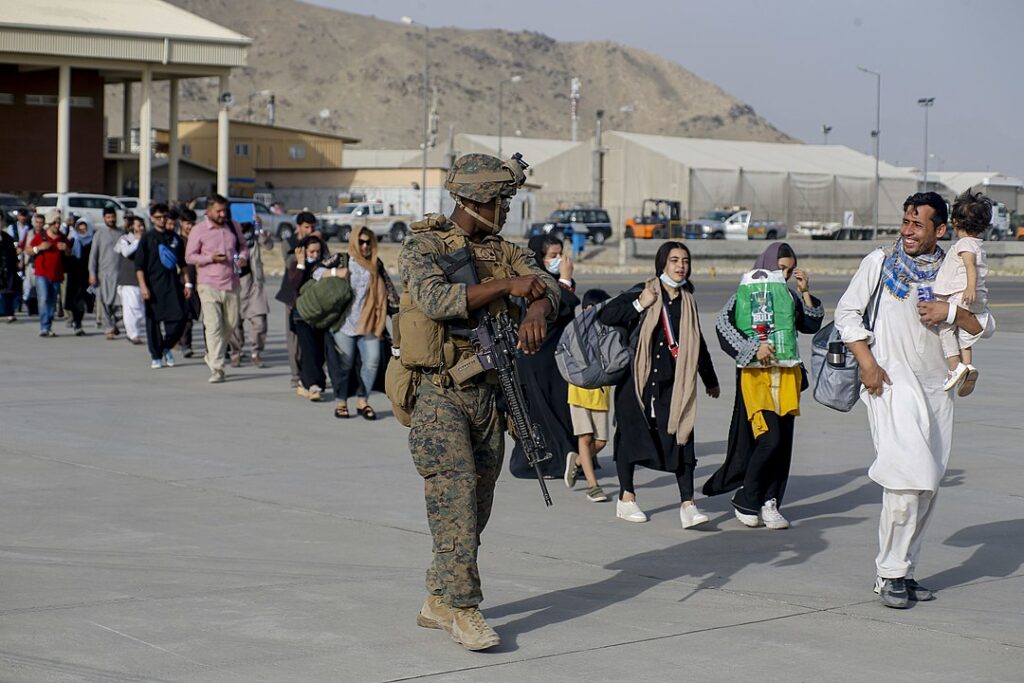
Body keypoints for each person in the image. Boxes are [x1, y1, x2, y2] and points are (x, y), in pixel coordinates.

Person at [401, 153, 557, 651]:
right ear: (481, 200)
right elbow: (436, 300)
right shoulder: (423, 245)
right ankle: (464, 609)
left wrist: (535, 307)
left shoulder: (503, 250)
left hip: (490, 395)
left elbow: (547, 284)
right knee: (456, 496)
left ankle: (438, 598)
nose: (508, 210)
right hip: (439, 393)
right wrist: (509, 286)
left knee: (476, 505)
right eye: (504, 201)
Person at [834, 192, 992, 609]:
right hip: (890, 384)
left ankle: (903, 570)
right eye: (904, 221)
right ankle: (888, 574)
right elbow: (847, 314)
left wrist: (951, 313)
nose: (906, 230)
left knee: (928, 485)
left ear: (940, 230)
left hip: (938, 389)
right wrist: (867, 363)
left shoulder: (956, 267)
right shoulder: (880, 262)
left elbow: (983, 325)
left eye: (916, 224)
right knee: (907, 480)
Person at [598, 242, 720, 527]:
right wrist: (640, 303)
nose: (680, 266)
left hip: (672, 385)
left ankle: (688, 505)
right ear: (662, 263)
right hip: (637, 383)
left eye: (685, 260)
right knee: (630, 440)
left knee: (682, 438)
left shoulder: (688, 300)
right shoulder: (645, 290)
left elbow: (697, 342)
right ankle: (626, 498)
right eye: (674, 260)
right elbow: (606, 315)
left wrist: (709, 378)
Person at [704, 242, 823, 529]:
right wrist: (752, 348)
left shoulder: (790, 297)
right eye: (781, 268)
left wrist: (805, 292)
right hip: (755, 378)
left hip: (787, 377)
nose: (785, 274)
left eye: (790, 269)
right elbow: (723, 327)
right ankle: (747, 497)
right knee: (768, 439)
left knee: (782, 442)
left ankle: (770, 501)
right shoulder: (745, 295)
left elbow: (810, 325)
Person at [508, 234, 580, 480]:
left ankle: (566, 458)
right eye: (553, 256)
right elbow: (560, 306)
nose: (559, 260)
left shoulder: (555, 281)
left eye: (561, 255)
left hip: (556, 359)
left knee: (560, 409)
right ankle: (546, 462)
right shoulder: (535, 284)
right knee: (540, 413)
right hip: (536, 358)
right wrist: (566, 280)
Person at [329, 226, 396, 419]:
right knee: (346, 364)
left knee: (372, 361)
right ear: (354, 242)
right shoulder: (342, 260)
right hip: (344, 324)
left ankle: (362, 401)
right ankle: (341, 402)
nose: (365, 246)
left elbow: (390, 293)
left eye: (369, 242)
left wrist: (401, 314)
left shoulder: (376, 264)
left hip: (370, 324)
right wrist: (334, 273)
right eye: (361, 241)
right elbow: (316, 273)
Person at [185, 194, 248, 383]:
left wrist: (241, 259)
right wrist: (210, 258)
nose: (222, 214)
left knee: (231, 324)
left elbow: (243, 247)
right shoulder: (199, 230)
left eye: (224, 211)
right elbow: (190, 257)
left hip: (232, 283)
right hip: (208, 284)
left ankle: (212, 354)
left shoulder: (233, 226)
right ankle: (217, 368)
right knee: (213, 326)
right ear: (208, 211)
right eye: (218, 211)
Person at [935, 190, 992, 396]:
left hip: (962, 294)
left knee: (945, 327)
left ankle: (954, 367)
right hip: (976, 298)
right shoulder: (978, 244)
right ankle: (968, 367)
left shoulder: (964, 244)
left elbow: (969, 267)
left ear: (956, 222)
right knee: (963, 335)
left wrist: (969, 287)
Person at [563, 288, 612, 502]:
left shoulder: (609, 332)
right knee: (585, 437)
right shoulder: (575, 331)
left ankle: (577, 462)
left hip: (601, 393)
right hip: (579, 391)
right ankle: (593, 486)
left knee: (600, 441)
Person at [289, 235, 344, 401]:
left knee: (320, 352)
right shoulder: (297, 265)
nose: (315, 255)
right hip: (302, 316)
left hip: (321, 316)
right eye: (311, 251)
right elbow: (294, 285)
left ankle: (304, 384)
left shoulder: (325, 264)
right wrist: (300, 263)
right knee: (309, 350)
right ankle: (315, 385)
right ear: (303, 251)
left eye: (318, 251)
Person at [136, 203, 190, 369]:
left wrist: (188, 283)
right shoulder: (147, 238)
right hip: (152, 286)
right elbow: (139, 267)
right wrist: (143, 287)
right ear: (152, 219)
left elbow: (183, 264)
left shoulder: (174, 238)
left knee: (180, 318)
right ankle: (156, 355)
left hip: (172, 285)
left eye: (164, 217)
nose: (162, 220)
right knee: (153, 322)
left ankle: (167, 346)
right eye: (158, 217)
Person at [277, 211, 320, 387]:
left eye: (312, 227)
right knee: (293, 337)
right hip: (293, 294)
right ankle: (296, 373)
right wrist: (305, 244)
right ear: (298, 227)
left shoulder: (319, 244)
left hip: (313, 295)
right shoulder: (288, 242)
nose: (310, 231)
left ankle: (313, 371)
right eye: (306, 227)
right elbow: (289, 262)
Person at [229, 214, 273, 368]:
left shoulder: (253, 233)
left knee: (260, 322)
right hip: (233, 283)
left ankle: (256, 353)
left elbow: (268, 246)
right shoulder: (226, 234)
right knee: (234, 323)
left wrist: (259, 228)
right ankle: (236, 352)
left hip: (254, 282)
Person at [28, 210, 69, 337]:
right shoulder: (41, 236)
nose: (57, 225)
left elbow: (69, 253)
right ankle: (44, 326)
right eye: (55, 223)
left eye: (58, 223)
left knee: (52, 301)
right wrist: (39, 247)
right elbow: (29, 250)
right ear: (50, 224)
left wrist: (66, 249)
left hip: (56, 274)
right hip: (42, 273)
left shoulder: (62, 237)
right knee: (44, 298)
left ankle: (48, 325)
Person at [88, 206, 124, 339]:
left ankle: (114, 323)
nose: (111, 219)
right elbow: (93, 256)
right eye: (108, 217)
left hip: (119, 275)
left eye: (113, 217)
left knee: (119, 305)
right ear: (104, 218)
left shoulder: (122, 234)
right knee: (104, 303)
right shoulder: (99, 234)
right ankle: (108, 328)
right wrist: (92, 273)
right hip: (103, 275)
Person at [115, 217, 146, 344]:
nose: (141, 228)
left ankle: (135, 332)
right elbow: (126, 252)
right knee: (131, 309)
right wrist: (137, 241)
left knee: (140, 311)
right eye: (139, 225)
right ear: (132, 227)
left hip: (142, 280)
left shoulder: (146, 239)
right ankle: (132, 334)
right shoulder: (125, 239)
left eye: (142, 225)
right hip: (128, 280)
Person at [64, 217, 95, 336]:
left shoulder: (93, 242)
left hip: (87, 276)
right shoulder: (72, 241)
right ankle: (77, 322)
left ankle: (78, 322)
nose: (82, 231)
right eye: (80, 229)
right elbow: (66, 259)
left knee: (85, 299)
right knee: (75, 301)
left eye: (84, 229)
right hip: (74, 276)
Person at [178, 208, 201, 358]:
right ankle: (186, 345)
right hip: (181, 282)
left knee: (194, 313)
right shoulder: (177, 240)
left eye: (192, 223)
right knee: (186, 316)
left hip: (199, 282)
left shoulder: (198, 240)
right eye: (187, 223)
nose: (190, 227)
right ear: (181, 223)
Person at [0, 228, 18, 322]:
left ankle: (10, 313)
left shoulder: (8, 238)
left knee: (8, 291)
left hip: (6, 268)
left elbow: (13, 255)